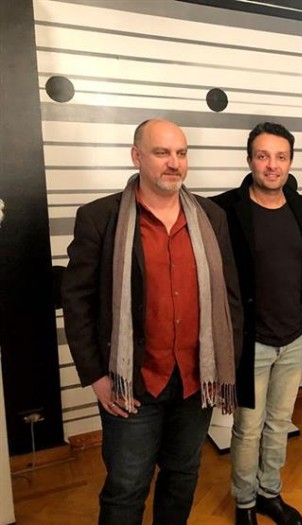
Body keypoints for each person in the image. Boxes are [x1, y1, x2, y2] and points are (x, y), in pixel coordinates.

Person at [62, 119, 243, 525]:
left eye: (181, 153)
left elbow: (230, 298)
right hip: (131, 384)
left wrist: (226, 364)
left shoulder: (211, 216)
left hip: (196, 380)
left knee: (182, 475)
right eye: (162, 153)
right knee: (127, 486)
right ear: (137, 156)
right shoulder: (100, 218)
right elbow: (77, 302)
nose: (174, 162)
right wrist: (96, 376)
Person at [211, 122, 302, 525]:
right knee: (248, 427)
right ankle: (245, 503)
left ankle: (270, 493)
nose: (272, 165)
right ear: (249, 160)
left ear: (290, 161)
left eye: (281, 157)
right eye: (263, 156)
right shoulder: (224, 209)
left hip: (295, 338)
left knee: (279, 424)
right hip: (250, 342)